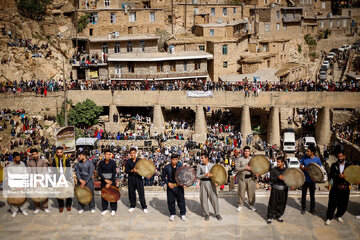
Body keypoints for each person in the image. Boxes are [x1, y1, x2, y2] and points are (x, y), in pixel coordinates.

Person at [325, 151, 351, 225]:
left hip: (345, 188)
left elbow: (352, 176)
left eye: (341, 156)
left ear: (344, 157)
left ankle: (338, 215)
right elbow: (331, 176)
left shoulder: (349, 166)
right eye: (338, 157)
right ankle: (329, 218)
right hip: (336, 188)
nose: (340, 158)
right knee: (332, 203)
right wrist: (337, 176)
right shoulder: (334, 165)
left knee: (343, 204)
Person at [196, 151, 222, 221]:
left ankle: (217, 214)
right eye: (201, 158)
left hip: (211, 183)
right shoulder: (200, 166)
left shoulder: (213, 165)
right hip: (203, 184)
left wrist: (216, 182)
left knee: (214, 199)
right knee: (203, 200)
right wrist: (205, 175)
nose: (201, 160)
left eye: (202, 158)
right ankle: (206, 214)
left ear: (207, 158)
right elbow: (197, 176)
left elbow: (217, 175)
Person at [161, 153, 186, 221]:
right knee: (171, 201)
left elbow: (183, 175)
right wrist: (168, 183)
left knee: (181, 200)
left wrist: (184, 183)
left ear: (177, 160)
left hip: (179, 186)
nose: (174, 161)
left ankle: (182, 213)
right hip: (170, 186)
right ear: (170, 159)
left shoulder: (180, 166)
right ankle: (172, 213)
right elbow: (163, 176)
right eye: (173, 159)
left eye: (176, 159)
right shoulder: (167, 167)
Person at [300, 145, 322, 215]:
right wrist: (304, 168)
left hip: (312, 181)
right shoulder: (304, 158)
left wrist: (316, 177)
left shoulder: (317, 159)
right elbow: (300, 165)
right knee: (303, 195)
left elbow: (319, 170)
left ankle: (312, 209)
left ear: (312, 152)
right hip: (305, 180)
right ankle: (303, 209)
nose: (307, 152)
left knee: (312, 196)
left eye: (308, 151)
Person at [5, 152, 29, 217]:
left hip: (22, 183)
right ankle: (14, 211)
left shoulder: (22, 164)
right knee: (12, 197)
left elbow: (25, 174)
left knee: (23, 197)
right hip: (13, 184)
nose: (19, 159)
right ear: (13, 158)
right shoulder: (10, 166)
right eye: (17, 158)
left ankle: (23, 210)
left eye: (19, 157)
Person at [125, 147, 148, 213]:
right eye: (131, 153)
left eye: (133, 153)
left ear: (136, 153)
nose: (132, 154)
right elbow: (126, 171)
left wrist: (138, 170)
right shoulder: (128, 161)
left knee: (141, 193)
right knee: (131, 193)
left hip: (138, 178)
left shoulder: (139, 160)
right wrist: (131, 170)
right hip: (131, 178)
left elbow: (144, 169)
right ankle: (132, 205)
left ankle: (144, 206)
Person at [266, 156, 288, 224]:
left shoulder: (286, 170)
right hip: (275, 189)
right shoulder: (274, 170)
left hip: (283, 190)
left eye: (278, 162)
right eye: (277, 161)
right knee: (273, 203)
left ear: (283, 163)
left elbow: (290, 179)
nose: (277, 163)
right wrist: (277, 177)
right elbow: (270, 179)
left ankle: (279, 215)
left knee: (282, 203)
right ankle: (270, 217)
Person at [28, 148, 50, 214]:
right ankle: (37, 207)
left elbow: (44, 170)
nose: (34, 155)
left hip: (42, 180)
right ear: (31, 155)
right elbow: (29, 172)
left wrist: (39, 180)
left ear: (38, 154)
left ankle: (45, 207)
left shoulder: (42, 161)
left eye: (35, 154)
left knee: (44, 194)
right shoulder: (30, 162)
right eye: (33, 154)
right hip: (34, 181)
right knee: (35, 194)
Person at [236, 146, 257, 212]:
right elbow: (237, 169)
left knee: (251, 192)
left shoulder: (252, 159)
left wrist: (257, 173)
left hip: (251, 178)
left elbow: (256, 168)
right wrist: (245, 168)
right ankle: (240, 205)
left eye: (248, 151)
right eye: (245, 151)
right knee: (241, 192)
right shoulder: (240, 159)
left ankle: (251, 204)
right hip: (242, 178)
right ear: (243, 152)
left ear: (250, 152)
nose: (246, 152)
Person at [52, 146, 72, 213]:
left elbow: (68, 170)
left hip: (66, 177)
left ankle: (68, 205)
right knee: (59, 191)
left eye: (61, 152)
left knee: (68, 191)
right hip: (58, 177)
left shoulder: (66, 159)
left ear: (62, 152)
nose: (59, 153)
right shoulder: (54, 160)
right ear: (56, 153)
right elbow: (54, 170)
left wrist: (64, 178)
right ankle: (61, 206)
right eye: (58, 152)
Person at [98, 149, 117, 216]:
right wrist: (105, 180)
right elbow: (99, 173)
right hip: (104, 181)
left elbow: (114, 172)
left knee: (112, 195)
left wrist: (110, 182)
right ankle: (105, 208)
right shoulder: (101, 163)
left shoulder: (113, 162)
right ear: (104, 155)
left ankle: (113, 209)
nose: (108, 156)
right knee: (104, 195)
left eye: (109, 154)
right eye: (107, 154)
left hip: (111, 181)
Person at [75, 149, 95, 214]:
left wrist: (85, 181)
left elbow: (90, 174)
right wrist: (80, 180)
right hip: (80, 180)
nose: (79, 156)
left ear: (84, 156)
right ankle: (81, 207)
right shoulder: (78, 164)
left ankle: (92, 207)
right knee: (80, 194)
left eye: (80, 155)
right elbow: (77, 172)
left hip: (88, 180)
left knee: (90, 193)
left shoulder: (90, 164)